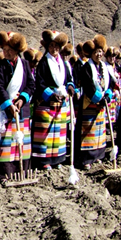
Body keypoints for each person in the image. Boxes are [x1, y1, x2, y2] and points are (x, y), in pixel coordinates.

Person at [0, 32, 35, 181]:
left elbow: (30, 84)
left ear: (17, 50)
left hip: (21, 109)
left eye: (10, 49)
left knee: (20, 143)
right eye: (4, 49)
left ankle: (20, 170)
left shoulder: (25, 65)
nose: (7, 52)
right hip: (7, 109)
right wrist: (8, 104)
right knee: (6, 144)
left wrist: (22, 99)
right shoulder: (1, 66)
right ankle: (3, 173)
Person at [32, 30, 74, 170]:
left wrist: (70, 87)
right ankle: (44, 160)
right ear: (47, 46)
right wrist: (50, 95)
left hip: (61, 102)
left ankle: (57, 158)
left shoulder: (63, 63)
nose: (54, 49)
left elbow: (68, 79)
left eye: (57, 46)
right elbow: (40, 83)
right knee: (46, 133)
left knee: (59, 132)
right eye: (51, 45)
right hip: (47, 103)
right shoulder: (44, 62)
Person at [78, 35, 115, 169]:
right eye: (95, 52)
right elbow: (88, 86)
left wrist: (108, 95)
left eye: (100, 52)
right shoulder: (86, 67)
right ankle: (87, 158)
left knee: (100, 131)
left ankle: (98, 156)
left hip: (101, 103)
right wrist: (99, 98)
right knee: (88, 131)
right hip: (90, 102)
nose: (98, 54)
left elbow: (110, 83)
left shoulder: (105, 67)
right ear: (91, 54)